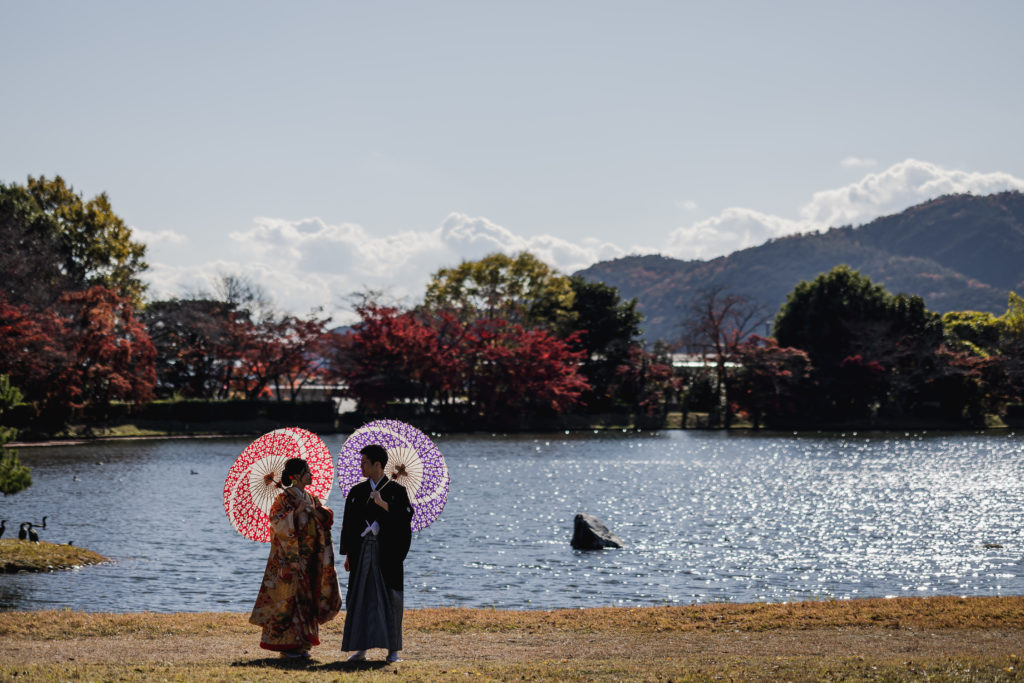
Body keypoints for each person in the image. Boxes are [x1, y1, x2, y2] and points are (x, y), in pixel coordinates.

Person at [250, 457, 342, 658]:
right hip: (290, 560)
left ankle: (302, 645)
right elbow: (277, 523)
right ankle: (288, 646)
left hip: (310, 559)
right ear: (296, 476)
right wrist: (296, 513)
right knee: (289, 600)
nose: (311, 474)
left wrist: (316, 511)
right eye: (307, 471)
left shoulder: (311, 498)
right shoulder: (283, 500)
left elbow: (326, 520)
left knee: (308, 599)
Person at [340, 444, 414, 663]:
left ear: (377, 464)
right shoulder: (356, 492)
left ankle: (393, 651)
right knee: (360, 597)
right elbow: (349, 523)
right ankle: (360, 648)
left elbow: (406, 517)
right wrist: (347, 553)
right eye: (361, 462)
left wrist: (384, 505)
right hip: (361, 550)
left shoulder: (397, 491)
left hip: (387, 552)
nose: (361, 466)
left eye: (364, 462)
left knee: (390, 599)